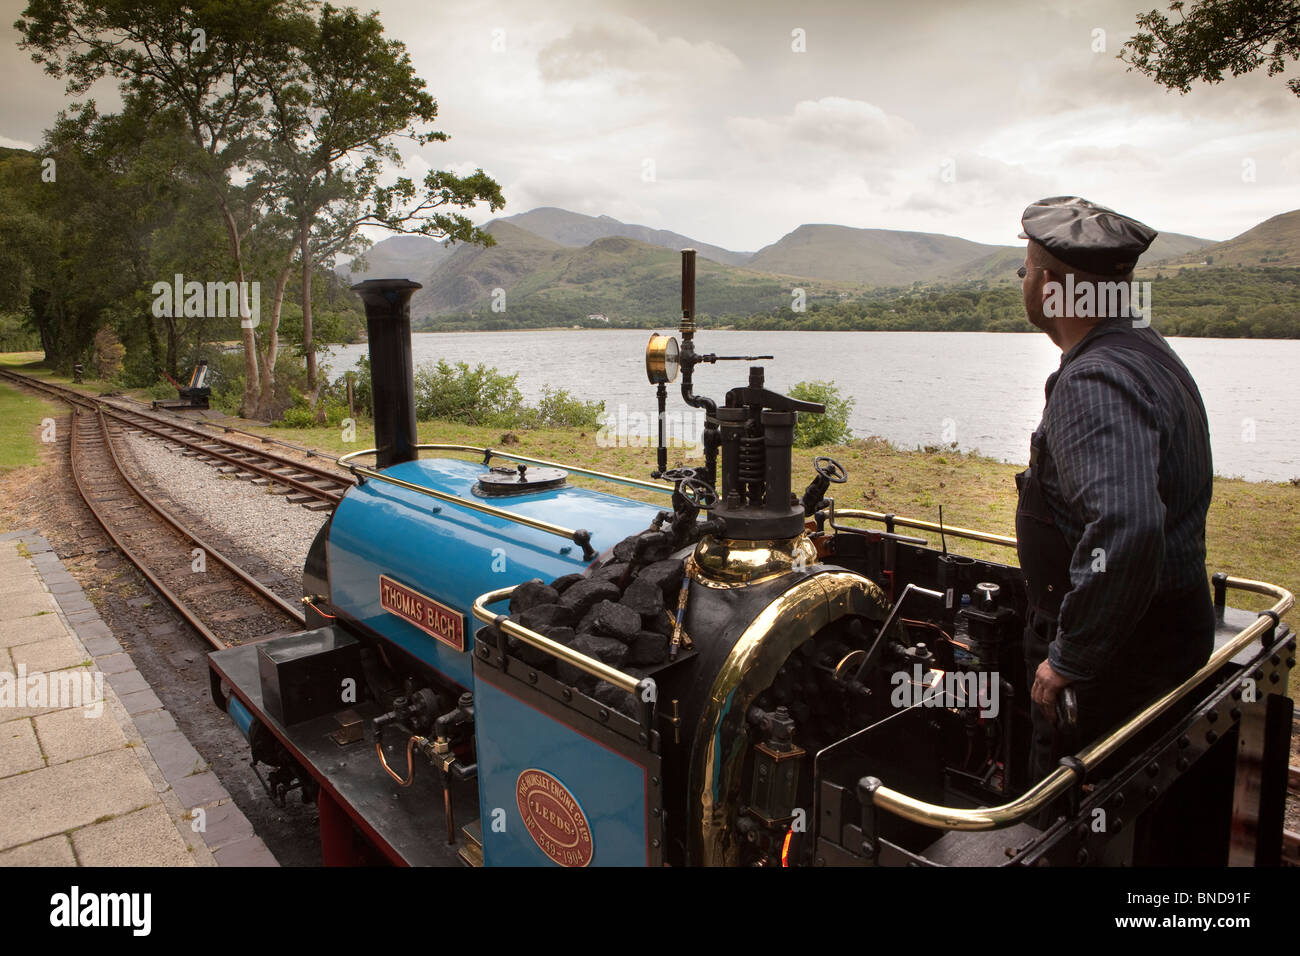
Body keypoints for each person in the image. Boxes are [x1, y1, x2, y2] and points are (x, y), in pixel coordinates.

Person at [1014, 196, 1215, 792]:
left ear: (1049, 287)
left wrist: (1071, 657)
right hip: (1158, 635)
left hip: (1116, 661)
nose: (1022, 280)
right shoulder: (1144, 350)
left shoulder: (1097, 379)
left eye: (1025, 269)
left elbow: (1127, 526)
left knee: (1066, 816)